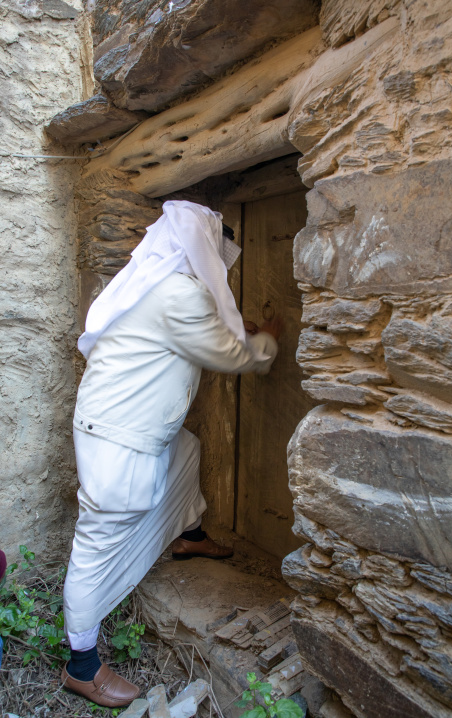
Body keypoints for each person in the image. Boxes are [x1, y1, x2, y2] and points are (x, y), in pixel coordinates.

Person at [61, 200, 282, 707]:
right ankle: (83, 666)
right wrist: (267, 341)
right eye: (216, 250)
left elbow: (203, 327)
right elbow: (231, 354)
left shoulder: (165, 286)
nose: (220, 263)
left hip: (119, 426)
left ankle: (190, 535)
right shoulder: (178, 293)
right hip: (120, 438)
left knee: (187, 448)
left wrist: (238, 328)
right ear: (199, 247)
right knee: (97, 544)